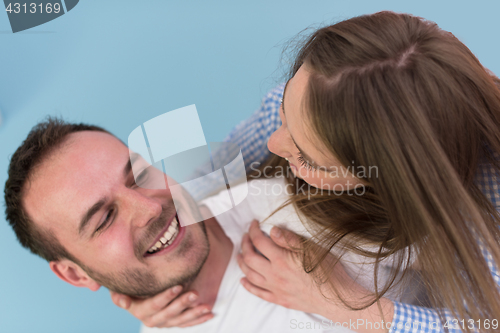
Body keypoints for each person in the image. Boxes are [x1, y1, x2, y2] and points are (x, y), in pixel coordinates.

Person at [115, 11, 500, 333]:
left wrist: (346, 306)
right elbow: (211, 175)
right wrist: (151, 279)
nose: (274, 145)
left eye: (309, 160)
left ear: (390, 181)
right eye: (283, 112)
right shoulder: (318, 97)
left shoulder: (480, 226)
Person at [5, 119, 399, 333]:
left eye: (140, 174)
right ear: (75, 273)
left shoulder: (300, 202)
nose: (149, 208)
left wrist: (349, 307)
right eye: (105, 219)